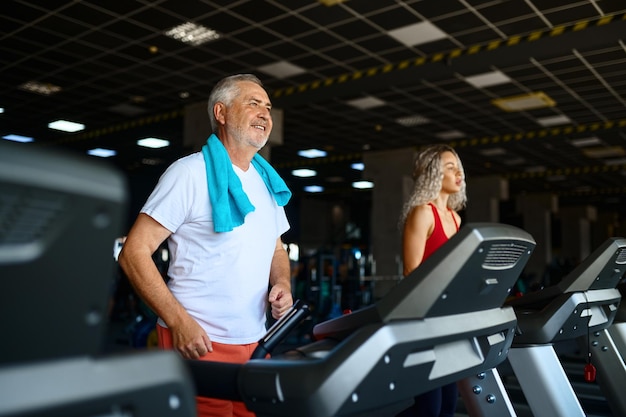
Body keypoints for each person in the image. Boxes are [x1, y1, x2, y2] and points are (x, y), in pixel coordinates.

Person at [118, 74, 293, 417]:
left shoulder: (267, 181)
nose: (265, 113)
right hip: (196, 341)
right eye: (253, 103)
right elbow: (133, 252)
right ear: (222, 113)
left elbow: (276, 249)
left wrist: (283, 283)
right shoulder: (188, 174)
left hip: (255, 341)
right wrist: (177, 320)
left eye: (269, 107)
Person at [396, 144, 467, 417]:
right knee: (429, 409)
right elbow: (411, 273)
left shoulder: (455, 218)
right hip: (424, 320)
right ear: (433, 174)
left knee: (448, 406)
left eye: (459, 167)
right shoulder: (423, 213)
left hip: (448, 320)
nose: (458, 172)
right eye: (450, 167)